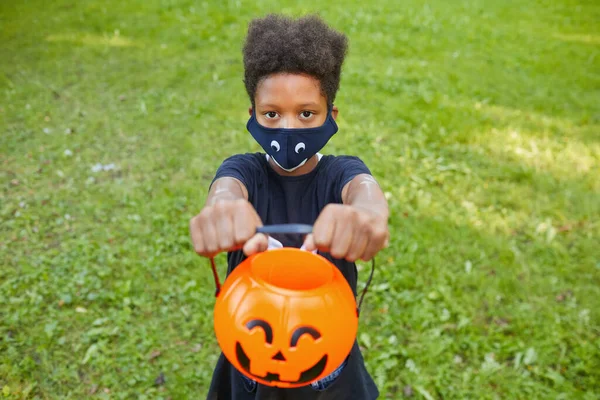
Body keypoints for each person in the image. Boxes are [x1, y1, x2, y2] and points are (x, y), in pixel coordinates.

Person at [189, 13, 389, 400]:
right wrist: (222, 209)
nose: (288, 129)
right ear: (252, 115)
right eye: (271, 114)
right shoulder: (242, 171)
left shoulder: (341, 173)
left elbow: (365, 191)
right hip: (253, 362)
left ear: (332, 116)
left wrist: (367, 216)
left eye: (306, 113)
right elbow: (225, 192)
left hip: (327, 364)